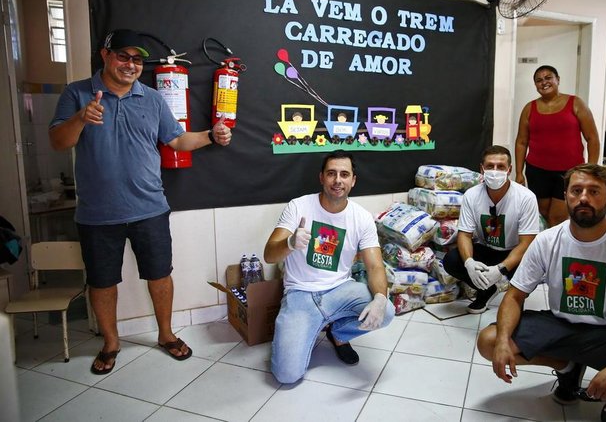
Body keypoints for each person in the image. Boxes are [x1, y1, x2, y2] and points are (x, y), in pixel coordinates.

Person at [49, 29, 232, 375]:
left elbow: (177, 140)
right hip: (97, 214)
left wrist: (211, 135)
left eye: (137, 59)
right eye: (123, 56)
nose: (131, 65)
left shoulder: (151, 98)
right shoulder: (77, 93)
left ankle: (165, 335)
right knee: (102, 282)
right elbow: (58, 142)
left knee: (160, 275)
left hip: (150, 208)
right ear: (105, 55)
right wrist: (80, 118)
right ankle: (111, 342)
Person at [477, 164, 606, 422]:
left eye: (594, 191)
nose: (584, 198)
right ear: (566, 196)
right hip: (560, 326)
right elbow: (514, 295)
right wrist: (502, 343)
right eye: (576, 190)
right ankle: (566, 366)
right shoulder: (547, 240)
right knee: (490, 339)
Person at [263, 150, 394, 384]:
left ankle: (339, 333)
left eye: (345, 174)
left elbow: (374, 266)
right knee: (286, 376)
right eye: (331, 173)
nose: (338, 180)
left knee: (387, 310)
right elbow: (269, 254)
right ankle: (309, 329)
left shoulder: (361, 217)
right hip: (300, 293)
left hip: (340, 291)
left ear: (353, 180)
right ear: (321, 177)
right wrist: (290, 243)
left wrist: (380, 299)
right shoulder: (298, 206)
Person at [443, 145, 540, 314]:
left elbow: (527, 243)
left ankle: (515, 296)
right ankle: (487, 290)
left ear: (509, 169)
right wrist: (469, 263)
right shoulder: (471, 195)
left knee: (531, 271)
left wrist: (501, 269)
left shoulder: (526, 198)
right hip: (487, 250)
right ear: (482, 169)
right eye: (490, 166)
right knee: (451, 260)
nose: (495, 171)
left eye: (501, 167)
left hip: (515, 253)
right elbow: (465, 235)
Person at [514, 65, 600, 227]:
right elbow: (521, 142)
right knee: (543, 215)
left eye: (548, 78)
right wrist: (519, 173)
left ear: (557, 80)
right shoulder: (529, 108)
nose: (544, 82)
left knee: (557, 218)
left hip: (569, 172)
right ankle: (545, 249)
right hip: (537, 171)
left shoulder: (576, 103)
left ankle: (555, 250)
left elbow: (592, 138)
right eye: (539, 80)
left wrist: (591, 169)